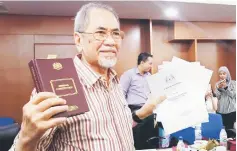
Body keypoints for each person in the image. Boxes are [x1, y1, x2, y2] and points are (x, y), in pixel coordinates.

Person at [10, 3, 166, 151]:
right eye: (100, 33)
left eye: (116, 33)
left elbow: (116, 129)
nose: (111, 41)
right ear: (78, 40)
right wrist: (26, 137)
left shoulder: (114, 81)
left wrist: (143, 112)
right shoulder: (54, 89)